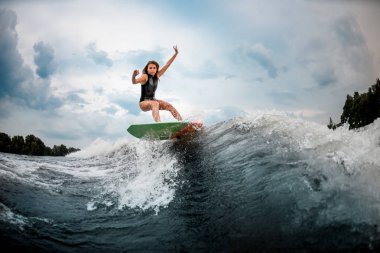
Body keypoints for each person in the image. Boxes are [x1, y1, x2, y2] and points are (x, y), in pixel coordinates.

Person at [132, 46, 183, 122]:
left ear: (156, 69)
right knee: (155, 103)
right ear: (147, 69)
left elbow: (167, 64)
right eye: (150, 68)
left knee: (168, 106)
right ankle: (158, 124)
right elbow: (134, 82)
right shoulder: (145, 76)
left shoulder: (157, 75)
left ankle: (181, 122)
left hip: (153, 100)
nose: (152, 69)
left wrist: (175, 54)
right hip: (143, 103)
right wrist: (134, 75)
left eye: (154, 68)